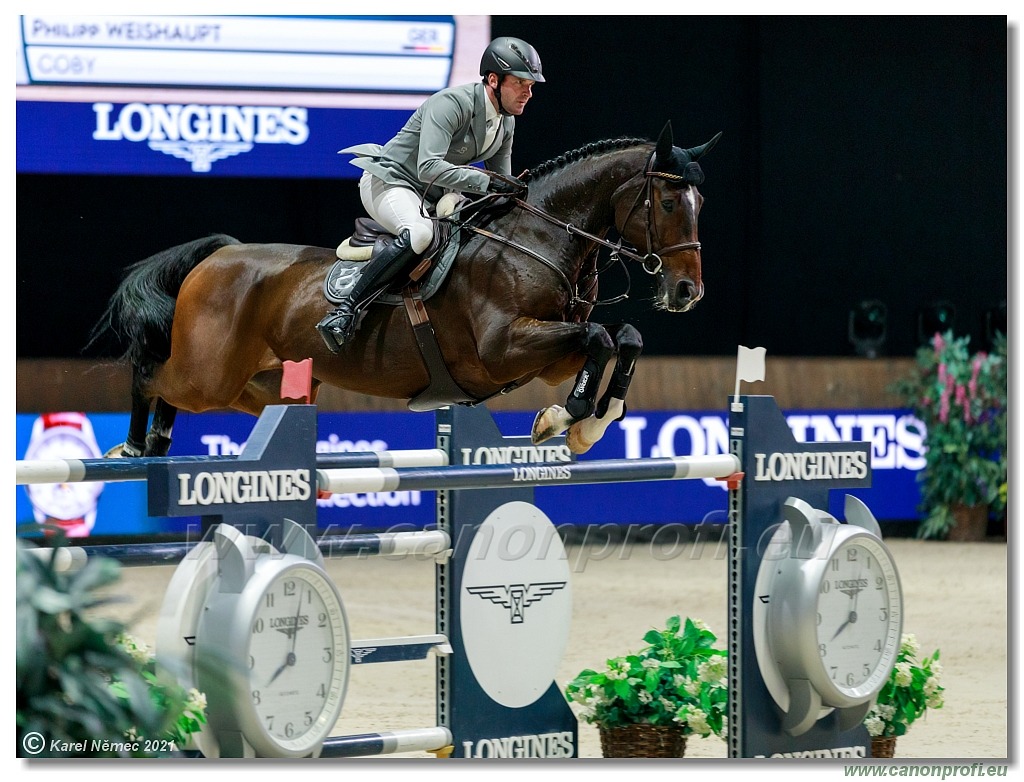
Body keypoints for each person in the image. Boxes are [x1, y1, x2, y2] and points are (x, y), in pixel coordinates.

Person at [317, 36, 544, 353]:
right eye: (520, 83)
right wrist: (487, 182)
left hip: (432, 195)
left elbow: (499, 181)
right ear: (493, 79)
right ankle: (344, 313)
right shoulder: (451, 104)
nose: (528, 93)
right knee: (420, 234)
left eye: (531, 85)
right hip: (391, 180)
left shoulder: (505, 124)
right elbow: (428, 167)